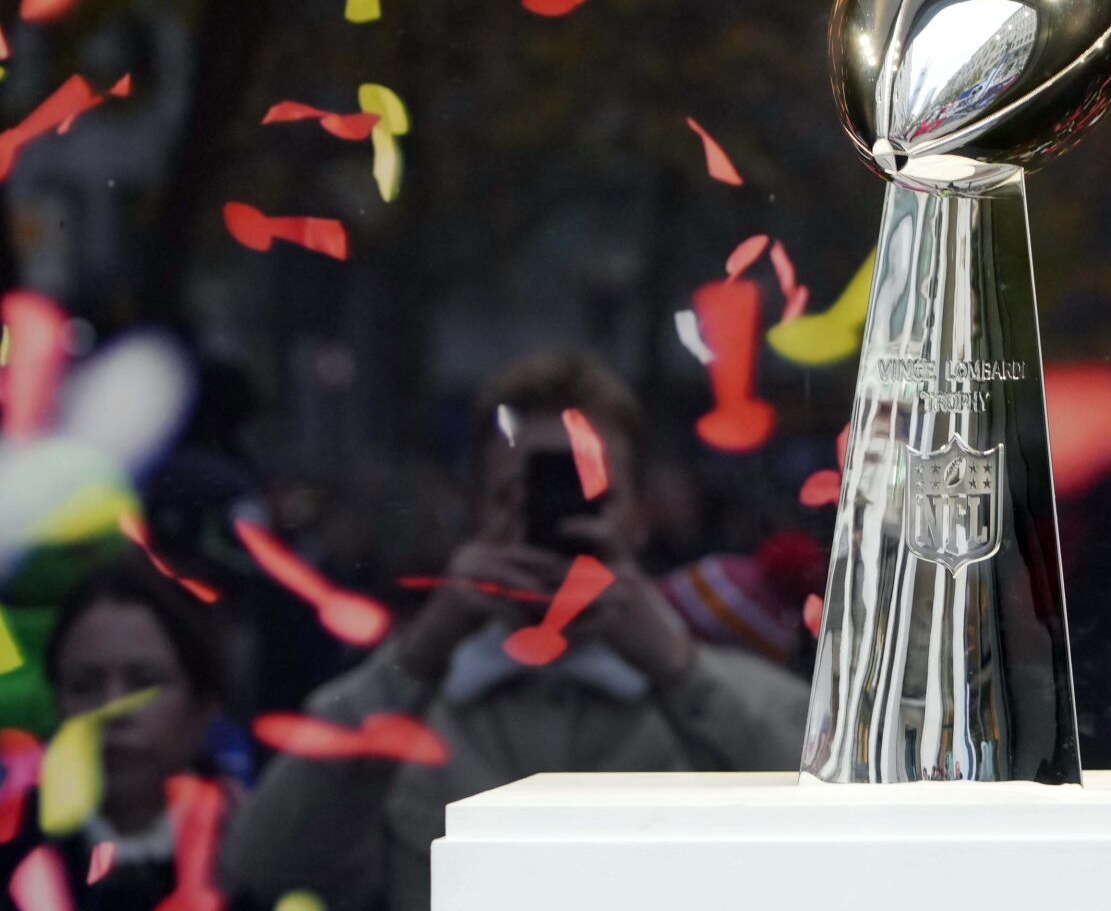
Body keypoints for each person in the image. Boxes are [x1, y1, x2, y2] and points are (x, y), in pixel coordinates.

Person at [223, 354, 810, 911]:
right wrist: (422, 651)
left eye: (589, 493)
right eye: (515, 496)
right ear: (477, 514)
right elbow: (268, 864)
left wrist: (679, 672)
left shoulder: (736, 698)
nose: (551, 518)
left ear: (637, 518)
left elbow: (835, 855)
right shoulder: (408, 704)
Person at [1, 556, 240, 911]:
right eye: (84, 687)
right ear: (57, 705)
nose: (113, 710)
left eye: (145, 684)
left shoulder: (255, 853)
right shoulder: (12, 853)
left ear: (203, 707)